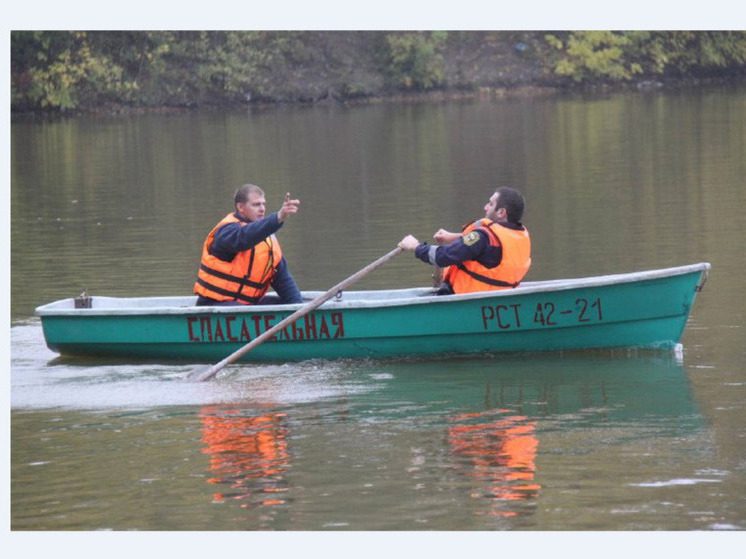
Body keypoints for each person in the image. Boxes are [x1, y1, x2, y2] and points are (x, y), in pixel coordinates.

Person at [398, 186, 531, 295]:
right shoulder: (517, 234)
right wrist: (455, 237)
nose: (485, 207)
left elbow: (442, 257)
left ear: (501, 212)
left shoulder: (482, 237)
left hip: (473, 299)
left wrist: (415, 247)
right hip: (502, 295)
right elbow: (485, 247)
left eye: (490, 204)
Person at [194, 184, 303, 306]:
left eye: (263, 204)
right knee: (235, 309)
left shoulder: (268, 242)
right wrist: (278, 218)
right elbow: (244, 238)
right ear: (240, 207)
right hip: (214, 304)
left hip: (246, 306)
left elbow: (283, 281)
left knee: (288, 302)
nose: (262, 209)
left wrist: (298, 306)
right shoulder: (226, 232)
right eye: (256, 204)